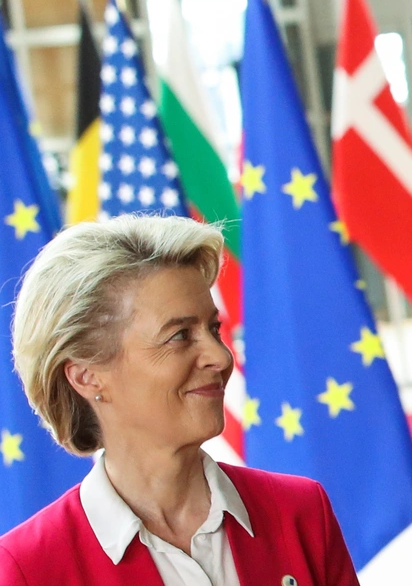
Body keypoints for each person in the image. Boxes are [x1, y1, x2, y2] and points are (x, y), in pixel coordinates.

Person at [0, 215, 359, 586]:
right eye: (179, 336)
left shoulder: (300, 513)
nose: (220, 358)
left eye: (214, 329)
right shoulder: (30, 568)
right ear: (86, 375)